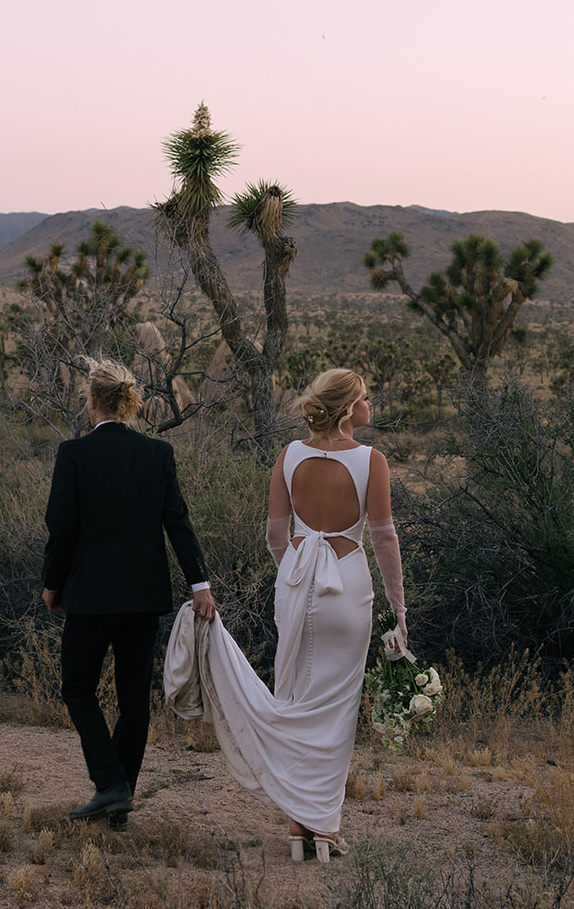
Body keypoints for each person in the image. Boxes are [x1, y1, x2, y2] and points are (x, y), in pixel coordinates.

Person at [164, 368, 406, 863]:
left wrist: (295, 573)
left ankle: (299, 823)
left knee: (293, 692)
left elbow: (276, 535)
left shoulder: (289, 456)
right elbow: (382, 537)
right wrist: (398, 607)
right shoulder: (370, 461)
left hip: (295, 587)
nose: (370, 403)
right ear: (347, 409)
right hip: (346, 587)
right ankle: (325, 828)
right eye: (364, 397)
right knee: (336, 708)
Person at [42, 358, 217, 825]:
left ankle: (111, 783)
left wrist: (52, 585)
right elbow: (177, 521)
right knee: (133, 698)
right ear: (128, 402)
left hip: (91, 595)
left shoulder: (73, 454)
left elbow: (61, 530)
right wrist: (200, 583)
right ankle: (119, 797)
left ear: (93, 400)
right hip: (144, 597)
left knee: (77, 686)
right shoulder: (157, 454)